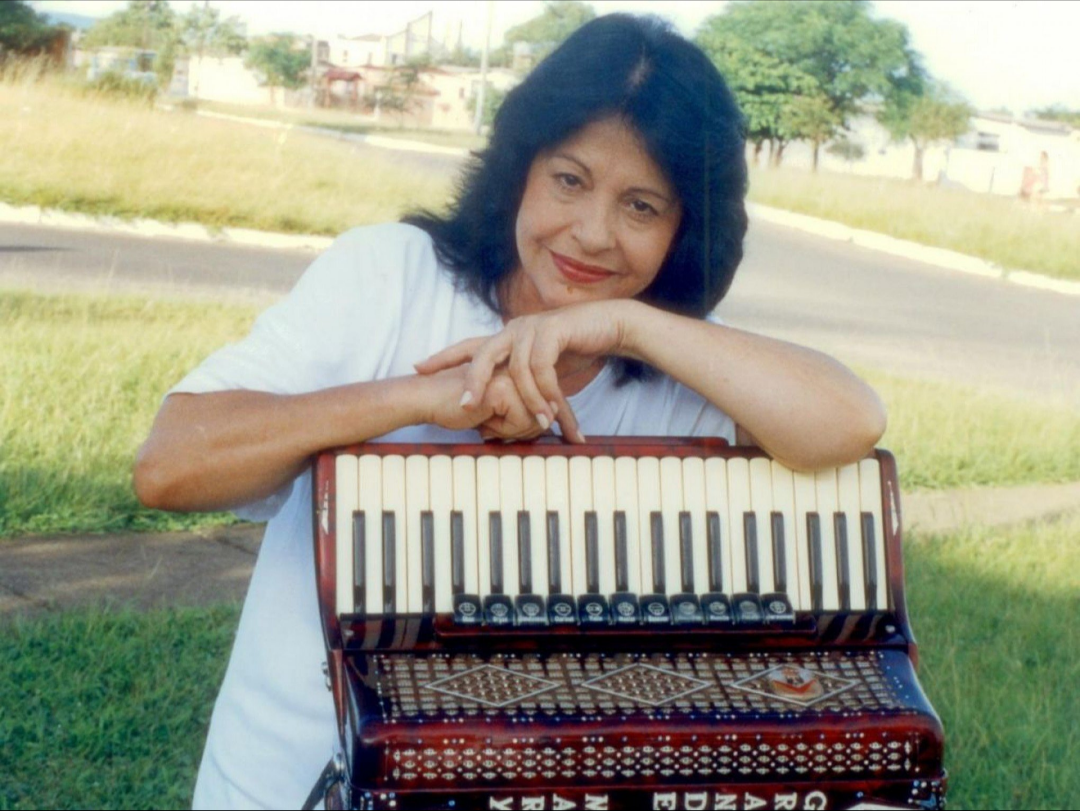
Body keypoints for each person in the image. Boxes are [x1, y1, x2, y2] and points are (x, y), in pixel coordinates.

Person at [133, 14, 886, 809]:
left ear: (685, 229)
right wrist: (428, 397)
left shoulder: (679, 352)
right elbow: (170, 466)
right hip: (287, 779)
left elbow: (850, 420)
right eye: (569, 179)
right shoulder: (389, 275)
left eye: (642, 206)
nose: (591, 234)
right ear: (518, 170)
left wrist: (623, 324)